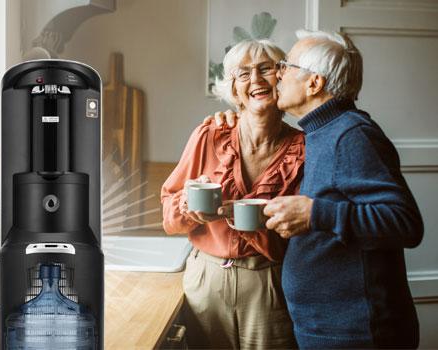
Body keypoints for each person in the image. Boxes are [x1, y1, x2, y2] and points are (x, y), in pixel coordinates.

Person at [211, 29, 424, 348]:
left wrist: (315, 214)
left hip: (355, 334)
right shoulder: (322, 131)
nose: (278, 75)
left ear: (314, 82)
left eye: (287, 66)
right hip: (330, 327)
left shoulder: (351, 135)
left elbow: (405, 224)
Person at [161, 39, 304, 349]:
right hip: (206, 279)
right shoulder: (208, 134)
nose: (255, 80)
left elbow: (308, 234)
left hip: (269, 281)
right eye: (243, 73)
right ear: (234, 89)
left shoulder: (305, 149)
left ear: (282, 78)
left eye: (266, 69)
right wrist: (188, 207)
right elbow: (168, 217)